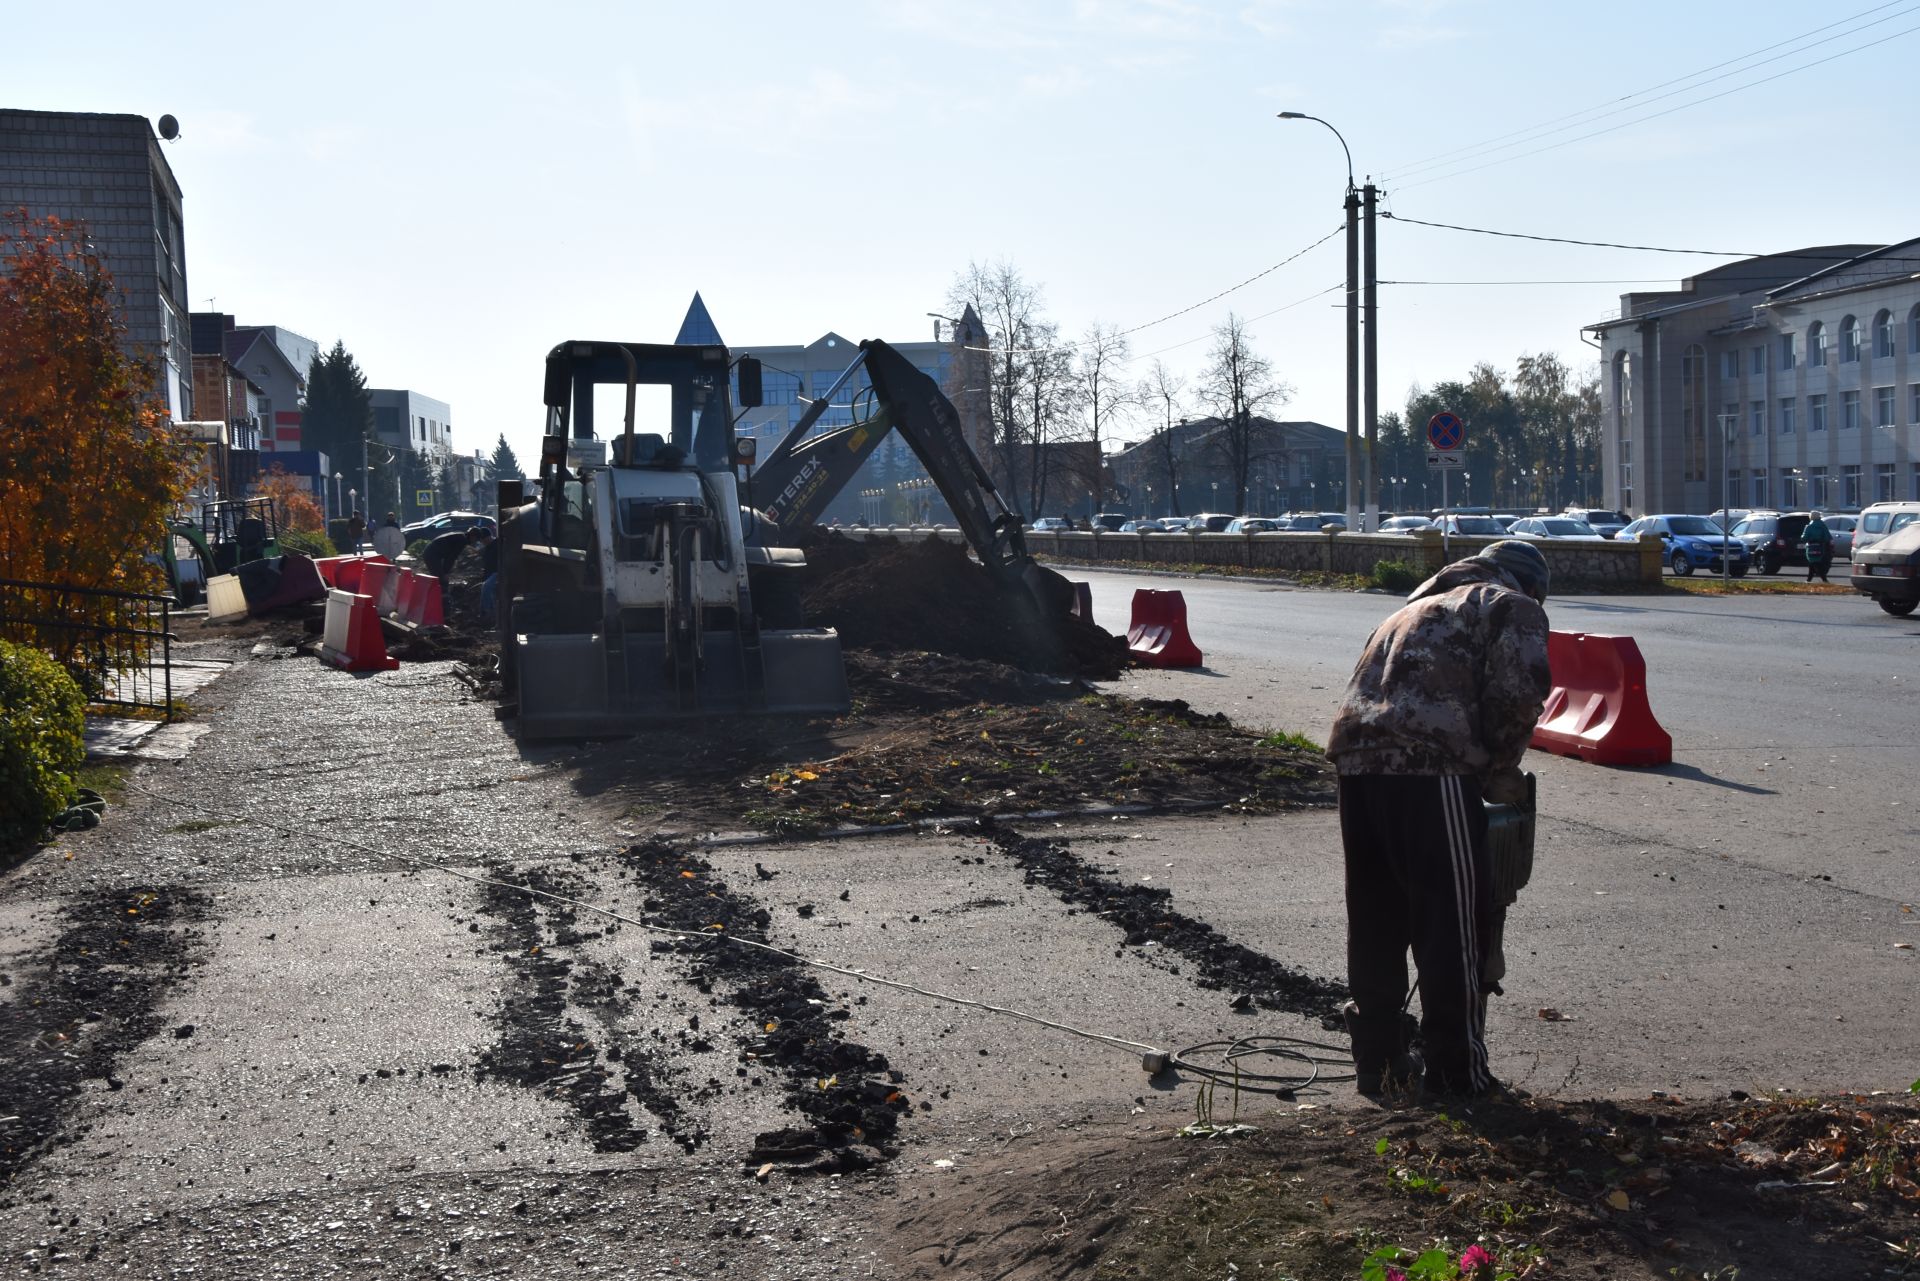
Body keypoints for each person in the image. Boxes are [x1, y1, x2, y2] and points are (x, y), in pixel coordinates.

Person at [1326, 540, 1553, 1100]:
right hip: (1432, 768)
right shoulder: (1509, 604)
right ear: (1533, 583)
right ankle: (1458, 1074)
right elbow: (1518, 693)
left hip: (1357, 766)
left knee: (1376, 918)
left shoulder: (1407, 608)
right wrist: (1502, 763)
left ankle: (1379, 1065)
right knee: (1451, 923)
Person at [1801, 511, 1833, 583]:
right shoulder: (1823, 526)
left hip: (1811, 546)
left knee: (1813, 562)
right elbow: (1827, 537)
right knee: (1816, 562)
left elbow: (1804, 538)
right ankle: (1811, 579)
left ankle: (1820, 579)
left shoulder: (1809, 526)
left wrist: (1806, 538)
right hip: (1820, 546)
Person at [477, 526, 500, 617]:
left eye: (482, 540)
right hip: (491, 573)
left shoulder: (497, 544)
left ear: (487, 537)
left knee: (486, 587)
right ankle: (491, 612)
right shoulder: (487, 548)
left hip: (499, 572)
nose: (481, 542)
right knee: (486, 586)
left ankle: (485, 611)